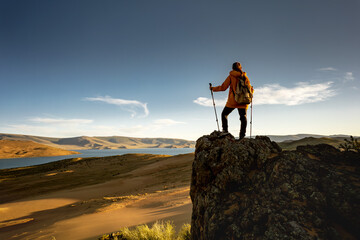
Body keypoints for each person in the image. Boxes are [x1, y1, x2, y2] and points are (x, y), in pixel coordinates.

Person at [210, 62, 254, 139]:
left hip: (233, 101)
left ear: (232, 68)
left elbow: (223, 87)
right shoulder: (245, 77)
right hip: (244, 101)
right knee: (243, 117)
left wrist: (213, 89)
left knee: (224, 114)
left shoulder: (231, 76)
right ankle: (242, 136)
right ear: (241, 68)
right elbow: (250, 90)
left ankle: (225, 131)